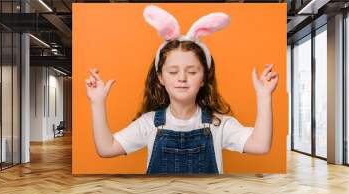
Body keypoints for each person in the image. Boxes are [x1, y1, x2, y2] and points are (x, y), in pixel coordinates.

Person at [85, 5, 279, 174]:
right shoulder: (149, 123)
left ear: (204, 78)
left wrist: (264, 96)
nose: (182, 78)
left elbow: (260, 145)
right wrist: (97, 103)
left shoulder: (218, 124)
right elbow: (106, 148)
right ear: (160, 77)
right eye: (173, 71)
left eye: (192, 71)